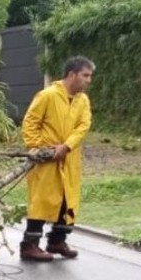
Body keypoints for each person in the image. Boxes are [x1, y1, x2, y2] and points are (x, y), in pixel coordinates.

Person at [19, 56, 94, 262]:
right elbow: (30, 122)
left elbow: (83, 126)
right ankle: (30, 246)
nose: (89, 80)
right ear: (72, 74)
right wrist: (36, 148)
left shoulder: (83, 100)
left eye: (89, 76)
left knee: (67, 200)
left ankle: (57, 241)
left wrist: (67, 146)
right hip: (46, 158)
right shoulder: (48, 95)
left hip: (69, 158)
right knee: (42, 200)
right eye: (85, 75)